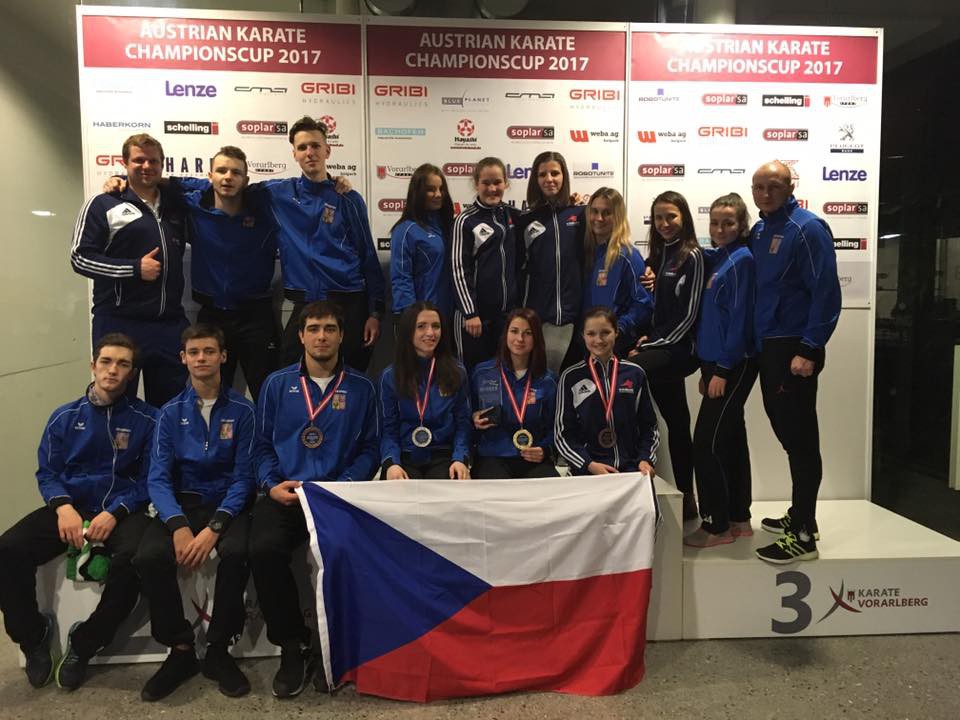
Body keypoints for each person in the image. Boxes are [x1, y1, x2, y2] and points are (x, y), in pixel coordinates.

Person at [0, 334, 156, 690]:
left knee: (135, 561)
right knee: (7, 549)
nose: (113, 370)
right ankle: (33, 636)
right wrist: (64, 507)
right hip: (70, 508)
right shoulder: (64, 417)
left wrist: (116, 512)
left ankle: (84, 644)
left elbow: (150, 479)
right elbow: (48, 472)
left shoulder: (149, 419)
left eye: (123, 364)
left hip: (121, 512)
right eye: (106, 361)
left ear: (131, 373)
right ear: (93, 365)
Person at [249, 301, 379, 698]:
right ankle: (293, 645)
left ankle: (333, 647)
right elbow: (261, 445)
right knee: (263, 549)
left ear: (342, 336)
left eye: (329, 329)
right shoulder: (276, 384)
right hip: (286, 493)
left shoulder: (362, 388)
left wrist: (343, 486)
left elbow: (371, 449)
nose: (322, 336)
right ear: (301, 336)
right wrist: (271, 484)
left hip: (336, 497)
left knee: (345, 552)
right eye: (314, 329)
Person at [134, 324, 256, 700]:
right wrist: (178, 526)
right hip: (182, 504)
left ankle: (218, 649)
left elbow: (244, 478)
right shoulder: (169, 413)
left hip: (226, 504)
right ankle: (181, 650)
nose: (202, 358)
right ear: (183, 358)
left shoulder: (244, 411)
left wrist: (215, 527)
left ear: (223, 356)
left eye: (209, 351)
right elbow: (157, 478)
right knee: (148, 556)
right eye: (194, 352)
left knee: (237, 551)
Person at [750, 161, 841, 564]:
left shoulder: (808, 228)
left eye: (773, 186)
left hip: (793, 347)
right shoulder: (760, 229)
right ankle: (802, 515)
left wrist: (810, 347)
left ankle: (803, 536)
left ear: (790, 187)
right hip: (768, 346)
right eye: (759, 187)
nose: (765, 193)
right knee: (788, 433)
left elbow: (826, 290)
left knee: (801, 440)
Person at [71, 133, 189, 407]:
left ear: (162, 165)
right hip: (118, 323)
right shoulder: (104, 204)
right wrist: (134, 269)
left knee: (170, 408)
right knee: (114, 405)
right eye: (139, 160)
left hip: (168, 324)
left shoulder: (175, 206)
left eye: (153, 161)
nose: (146, 166)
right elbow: (80, 258)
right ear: (125, 163)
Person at [270, 117, 385, 371]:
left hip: (349, 303)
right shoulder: (278, 194)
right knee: (289, 376)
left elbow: (367, 255)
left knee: (350, 379)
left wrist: (375, 313)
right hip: (305, 303)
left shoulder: (348, 198)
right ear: (294, 154)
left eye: (315, 146)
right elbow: (232, 189)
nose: (309, 152)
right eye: (302, 147)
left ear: (327, 150)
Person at [684, 194, 759, 548]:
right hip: (714, 363)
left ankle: (716, 526)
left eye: (728, 223)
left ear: (742, 225)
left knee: (706, 444)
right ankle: (739, 517)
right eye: (715, 222)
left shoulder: (742, 260)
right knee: (731, 439)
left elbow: (740, 320)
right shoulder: (719, 258)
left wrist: (723, 369)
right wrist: (708, 368)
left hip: (734, 363)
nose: (720, 229)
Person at [629, 190, 704, 521]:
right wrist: (649, 338)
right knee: (677, 421)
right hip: (660, 345)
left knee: (627, 372)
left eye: (671, 216)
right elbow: (655, 309)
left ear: (683, 217)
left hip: (679, 350)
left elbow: (688, 317)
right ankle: (687, 499)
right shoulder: (657, 256)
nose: (664, 223)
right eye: (658, 218)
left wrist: (650, 345)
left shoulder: (693, 256)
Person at [555, 307, 659, 476]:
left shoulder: (635, 373)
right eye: (591, 334)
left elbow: (649, 426)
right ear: (583, 336)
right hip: (587, 471)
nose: (598, 340)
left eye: (605, 332)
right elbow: (562, 434)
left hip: (631, 470)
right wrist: (588, 464)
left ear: (616, 332)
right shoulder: (571, 377)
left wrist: (645, 459)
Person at [379, 302, 472, 480]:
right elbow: (388, 429)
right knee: (400, 490)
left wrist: (460, 458)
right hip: (404, 457)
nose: (430, 333)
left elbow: (463, 424)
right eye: (421, 326)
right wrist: (392, 463)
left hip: (444, 456)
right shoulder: (390, 376)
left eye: (436, 326)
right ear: (408, 332)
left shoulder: (457, 372)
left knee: (451, 486)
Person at [470, 308, 559, 479]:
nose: (520, 339)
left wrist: (546, 449)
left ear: (537, 338)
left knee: (551, 490)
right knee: (497, 490)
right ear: (505, 335)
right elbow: (464, 415)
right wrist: (473, 418)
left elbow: (556, 427)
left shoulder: (548, 381)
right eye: (514, 331)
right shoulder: (482, 373)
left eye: (528, 333)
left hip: (533, 456)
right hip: (492, 455)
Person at [451, 157, 521, 370]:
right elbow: (458, 270)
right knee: (472, 374)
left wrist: (571, 205)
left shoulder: (512, 215)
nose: (492, 188)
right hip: (475, 319)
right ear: (476, 184)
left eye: (497, 182)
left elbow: (542, 218)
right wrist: (470, 312)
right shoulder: (465, 220)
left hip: (506, 318)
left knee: (503, 374)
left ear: (506, 183)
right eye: (486, 183)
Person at [517, 152, 584, 372]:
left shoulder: (581, 214)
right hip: (539, 316)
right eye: (542, 174)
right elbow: (517, 268)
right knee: (541, 380)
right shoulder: (525, 220)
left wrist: (646, 268)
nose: (549, 179)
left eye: (555, 173)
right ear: (535, 180)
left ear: (564, 176)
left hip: (577, 317)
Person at [582, 187, 654, 357]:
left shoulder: (627, 255)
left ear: (618, 216)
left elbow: (643, 304)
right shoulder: (585, 252)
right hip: (587, 344)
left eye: (607, 213)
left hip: (616, 346)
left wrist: (617, 329)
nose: (599, 218)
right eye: (595, 211)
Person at [390, 163, 455, 321]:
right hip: (423, 317)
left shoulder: (450, 227)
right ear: (418, 193)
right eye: (430, 189)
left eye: (441, 189)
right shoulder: (405, 230)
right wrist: (412, 318)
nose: (438, 194)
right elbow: (401, 278)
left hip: (451, 315)